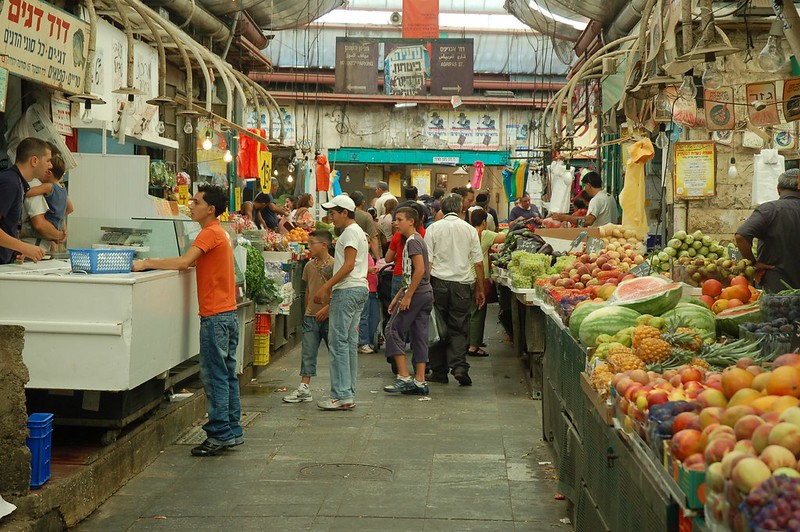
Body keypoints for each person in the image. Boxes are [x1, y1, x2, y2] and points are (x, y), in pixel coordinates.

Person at [133, 184, 242, 457]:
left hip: (215, 317)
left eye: (196, 202)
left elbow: (184, 262)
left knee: (215, 376)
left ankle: (219, 434)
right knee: (227, 375)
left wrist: (147, 264)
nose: (190, 205)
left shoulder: (208, 233)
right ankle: (232, 430)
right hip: (227, 314)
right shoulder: (221, 232)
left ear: (211, 209)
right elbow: (194, 263)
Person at [314, 195, 369, 410]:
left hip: (347, 291)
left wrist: (325, 287)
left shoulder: (350, 233)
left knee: (338, 343)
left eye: (334, 213)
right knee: (347, 343)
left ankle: (340, 395)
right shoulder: (356, 233)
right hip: (357, 289)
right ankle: (348, 393)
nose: (331, 218)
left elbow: (347, 266)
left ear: (344, 213)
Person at [424, 193, 485, 386]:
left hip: (438, 283)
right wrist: (479, 288)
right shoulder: (469, 230)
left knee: (437, 326)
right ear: (460, 209)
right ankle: (459, 367)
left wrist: (426, 287)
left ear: (442, 208)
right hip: (462, 285)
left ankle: (439, 371)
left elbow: (429, 262)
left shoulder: (433, 229)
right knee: (459, 327)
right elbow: (478, 263)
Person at [382, 207, 434, 396]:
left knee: (392, 329)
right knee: (419, 334)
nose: (396, 223)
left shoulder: (413, 242)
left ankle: (403, 377)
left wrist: (408, 296)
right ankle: (420, 380)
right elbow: (409, 274)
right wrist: (397, 297)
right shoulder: (416, 240)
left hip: (418, 294)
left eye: (400, 219)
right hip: (424, 293)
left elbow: (419, 270)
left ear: (411, 221)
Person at [283, 230, 334, 403]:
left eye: (312, 243)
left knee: (335, 352)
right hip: (311, 316)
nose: (309, 246)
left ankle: (339, 388)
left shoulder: (334, 265)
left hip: (329, 316)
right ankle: (304, 387)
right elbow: (307, 292)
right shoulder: (309, 266)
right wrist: (307, 311)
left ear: (324, 245)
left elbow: (338, 291)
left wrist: (328, 308)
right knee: (308, 352)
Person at [735, 168, 800, 292]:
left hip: (777, 289)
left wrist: (753, 263)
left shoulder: (769, 210)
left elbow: (741, 236)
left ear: (778, 189)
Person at [0, 137, 51, 264]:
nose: (50, 166)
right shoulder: (10, 182)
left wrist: (14, 251)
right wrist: (22, 246)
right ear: (34, 161)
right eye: (48, 160)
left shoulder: (19, 183)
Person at [467, 209, 505, 357]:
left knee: (468, 312)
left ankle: (466, 342)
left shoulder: (468, 233)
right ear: (484, 222)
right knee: (478, 311)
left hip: (465, 276)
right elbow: (504, 237)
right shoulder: (486, 234)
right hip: (478, 276)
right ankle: (473, 346)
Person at [22, 148, 73, 252]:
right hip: (57, 225)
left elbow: (28, 193)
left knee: (23, 230)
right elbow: (70, 208)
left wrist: (19, 187)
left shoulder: (49, 187)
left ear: (49, 173)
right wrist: (60, 217)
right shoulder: (63, 189)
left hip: (46, 226)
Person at [552, 171, 619, 227]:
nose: (584, 189)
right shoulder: (610, 197)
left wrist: (565, 217)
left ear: (589, 185)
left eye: (584, 186)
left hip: (599, 238)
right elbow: (618, 219)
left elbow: (588, 221)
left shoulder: (596, 200)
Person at [357, 253, 380, 354]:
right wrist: (368, 270)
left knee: (375, 317)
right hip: (364, 289)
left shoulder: (369, 255)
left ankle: (369, 340)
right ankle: (363, 342)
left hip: (373, 290)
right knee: (364, 317)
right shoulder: (358, 254)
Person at [350, 190, 382, 259]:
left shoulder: (345, 215)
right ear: (362, 202)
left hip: (347, 252)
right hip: (363, 254)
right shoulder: (366, 216)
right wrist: (378, 258)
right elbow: (373, 238)